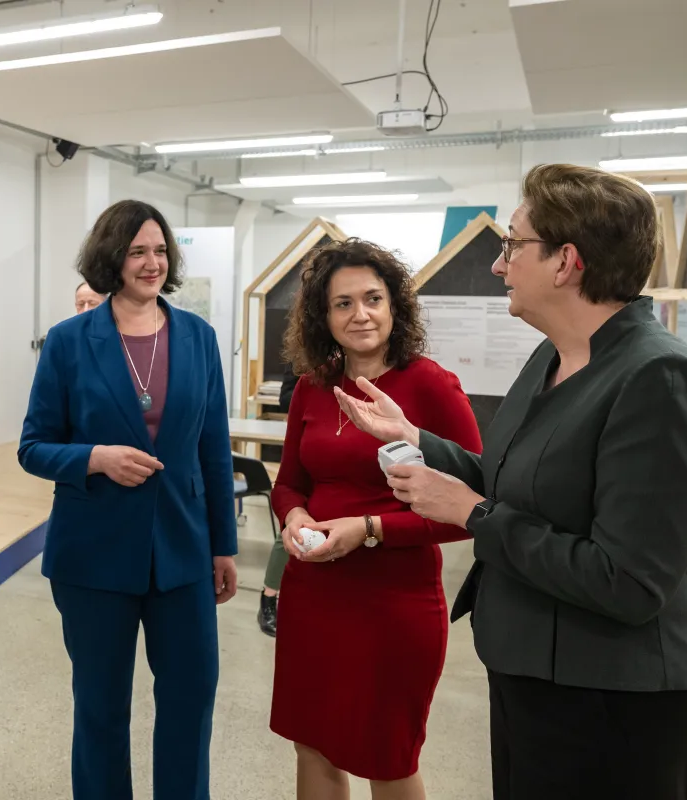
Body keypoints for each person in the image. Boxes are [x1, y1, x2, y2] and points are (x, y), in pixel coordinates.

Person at [336, 163, 687, 800]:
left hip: (614, 704)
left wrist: (472, 515)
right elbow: (512, 482)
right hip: (533, 678)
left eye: (513, 245)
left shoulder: (660, 378)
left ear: (565, 261)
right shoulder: (554, 356)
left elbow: (628, 581)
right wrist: (413, 438)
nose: (499, 265)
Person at [18, 199, 238, 800]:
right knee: (100, 710)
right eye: (138, 251)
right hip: (93, 557)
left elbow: (213, 449)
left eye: (160, 250)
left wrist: (224, 546)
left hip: (184, 552)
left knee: (191, 702)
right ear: (111, 257)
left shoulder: (197, 337)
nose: (151, 263)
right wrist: (94, 458)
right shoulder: (68, 342)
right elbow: (33, 446)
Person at [268, 238, 482, 800]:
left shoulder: (430, 386)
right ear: (324, 315)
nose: (359, 314)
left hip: (393, 603)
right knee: (311, 742)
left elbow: (473, 509)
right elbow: (289, 480)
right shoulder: (313, 388)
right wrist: (293, 517)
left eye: (372, 299)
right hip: (314, 594)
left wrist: (368, 530)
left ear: (395, 307)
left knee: (387, 755)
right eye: (343, 303)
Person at [256, 374, 299, 637]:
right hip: (306, 440)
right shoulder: (306, 356)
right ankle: (269, 598)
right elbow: (285, 399)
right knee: (289, 527)